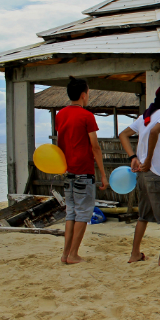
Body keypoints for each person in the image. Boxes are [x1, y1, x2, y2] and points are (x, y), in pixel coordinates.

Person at [119, 84, 160, 267]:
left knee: (143, 215)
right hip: (157, 172)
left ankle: (135, 254)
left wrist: (133, 157)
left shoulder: (145, 117)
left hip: (143, 174)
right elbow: (156, 132)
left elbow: (123, 135)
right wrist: (148, 159)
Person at [55, 77, 109, 264]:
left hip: (68, 170)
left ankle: (65, 254)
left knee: (71, 213)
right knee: (84, 213)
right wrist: (102, 174)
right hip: (84, 172)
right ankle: (73, 255)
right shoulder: (87, 116)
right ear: (84, 95)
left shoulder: (60, 115)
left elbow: (59, 142)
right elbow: (95, 147)